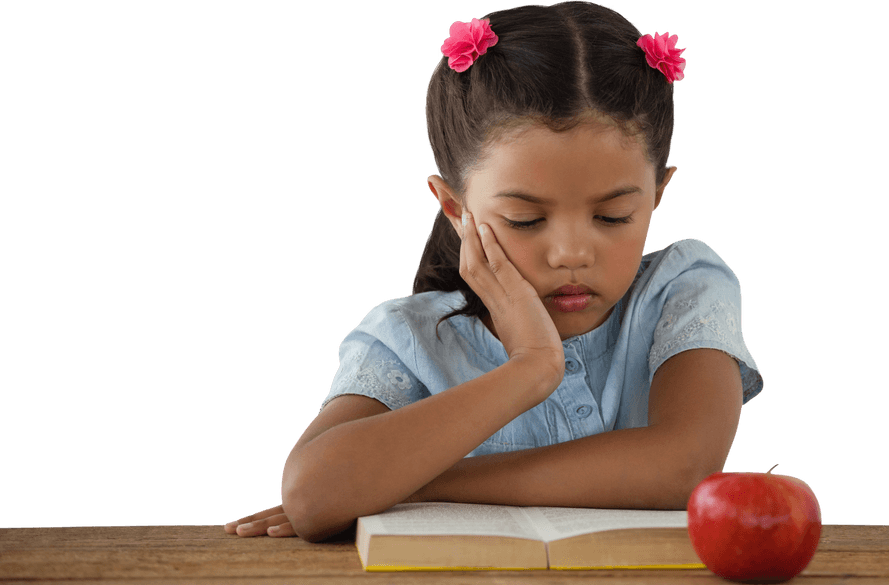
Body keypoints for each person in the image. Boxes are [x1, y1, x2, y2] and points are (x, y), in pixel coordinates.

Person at [226, 0, 764, 543]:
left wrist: (418, 483)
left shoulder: (683, 289)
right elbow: (313, 496)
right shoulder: (412, 337)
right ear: (456, 209)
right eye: (525, 220)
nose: (570, 253)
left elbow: (682, 467)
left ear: (657, 197)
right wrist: (530, 367)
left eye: (612, 216)